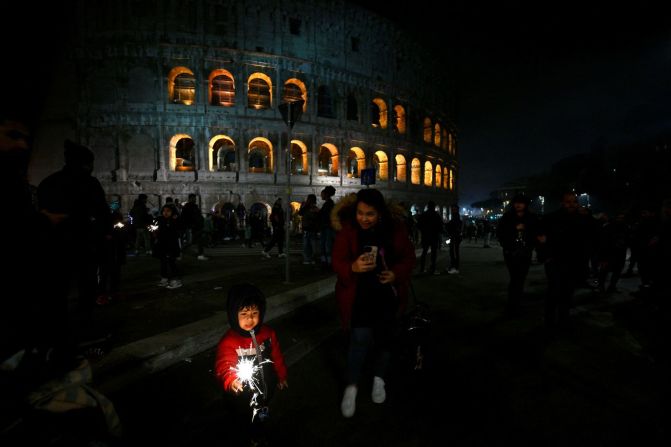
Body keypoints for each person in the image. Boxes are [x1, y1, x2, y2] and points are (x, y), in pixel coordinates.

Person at [331, 188, 416, 418]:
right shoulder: (347, 230)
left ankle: (379, 379)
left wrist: (395, 274)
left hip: (387, 295)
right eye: (360, 213)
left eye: (370, 214)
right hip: (358, 296)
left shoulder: (395, 230)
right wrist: (352, 267)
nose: (364, 218)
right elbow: (337, 261)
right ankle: (351, 387)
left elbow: (409, 258)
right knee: (359, 339)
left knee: (386, 340)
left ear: (380, 213)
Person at [214, 284, 288, 444]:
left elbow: (277, 356)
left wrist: (281, 376)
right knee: (243, 417)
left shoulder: (268, 334)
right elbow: (224, 365)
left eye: (255, 313)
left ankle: (259, 429)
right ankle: (248, 435)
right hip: (242, 395)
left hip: (266, 389)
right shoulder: (229, 342)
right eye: (244, 314)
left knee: (261, 412)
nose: (250, 318)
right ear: (233, 315)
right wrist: (231, 380)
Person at [537, 191, 593, 336]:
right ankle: (549, 320)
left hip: (574, 262)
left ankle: (564, 319)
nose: (571, 204)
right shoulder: (551, 218)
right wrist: (546, 257)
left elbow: (588, 240)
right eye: (568, 202)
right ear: (562, 202)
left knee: (568, 292)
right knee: (554, 290)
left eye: (574, 201)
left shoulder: (582, 219)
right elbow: (540, 239)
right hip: (555, 261)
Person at [496, 194, 540, 315]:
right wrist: (511, 233)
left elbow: (537, 232)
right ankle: (512, 304)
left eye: (521, 203)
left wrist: (530, 241)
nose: (518, 205)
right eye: (516, 202)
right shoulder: (507, 217)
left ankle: (515, 302)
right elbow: (500, 232)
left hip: (525, 252)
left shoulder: (531, 218)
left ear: (525, 204)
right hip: (511, 252)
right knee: (515, 277)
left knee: (520, 278)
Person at [152, 204, 183, 289]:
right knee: (163, 262)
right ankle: (164, 278)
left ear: (173, 212)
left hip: (171, 245)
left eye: (168, 211)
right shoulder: (159, 219)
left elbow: (177, 232)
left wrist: (174, 221)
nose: (165, 213)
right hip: (161, 244)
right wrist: (154, 233)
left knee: (171, 262)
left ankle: (175, 280)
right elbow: (154, 228)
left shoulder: (175, 220)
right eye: (164, 211)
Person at [417, 201, 443, 275]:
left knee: (424, 252)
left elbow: (418, 225)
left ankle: (422, 268)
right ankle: (433, 269)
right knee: (434, 253)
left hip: (425, 236)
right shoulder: (436, 215)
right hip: (434, 237)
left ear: (428, 206)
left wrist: (423, 230)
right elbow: (440, 227)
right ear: (434, 207)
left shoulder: (423, 215)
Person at [181, 193, 208, 260]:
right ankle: (180, 252)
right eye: (194, 198)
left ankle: (200, 254)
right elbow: (185, 217)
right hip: (193, 227)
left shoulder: (192, 207)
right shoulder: (189, 207)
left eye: (195, 198)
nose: (195, 199)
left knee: (197, 241)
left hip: (195, 227)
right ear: (190, 199)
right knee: (191, 241)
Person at [298, 193, 321, 264]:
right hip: (307, 229)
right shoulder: (306, 208)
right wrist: (302, 206)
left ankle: (309, 259)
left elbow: (316, 218)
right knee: (308, 245)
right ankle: (308, 259)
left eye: (308, 199)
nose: (307, 200)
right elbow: (300, 213)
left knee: (310, 245)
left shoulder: (314, 208)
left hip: (311, 229)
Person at [319, 186, 337, 269]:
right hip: (326, 227)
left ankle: (328, 262)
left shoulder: (329, 204)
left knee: (327, 245)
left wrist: (318, 212)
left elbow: (326, 215)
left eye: (322, 194)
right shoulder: (328, 203)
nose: (321, 195)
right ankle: (325, 261)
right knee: (324, 244)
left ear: (326, 194)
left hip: (327, 227)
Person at [444, 204, 463, 274]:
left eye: (454, 209)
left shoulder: (456, 217)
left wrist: (447, 225)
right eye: (452, 209)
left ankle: (455, 268)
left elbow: (453, 226)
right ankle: (453, 266)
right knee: (453, 252)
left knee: (454, 252)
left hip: (455, 237)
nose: (452, 210)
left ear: (457, 210)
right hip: (454, 237)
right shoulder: (456, 217)